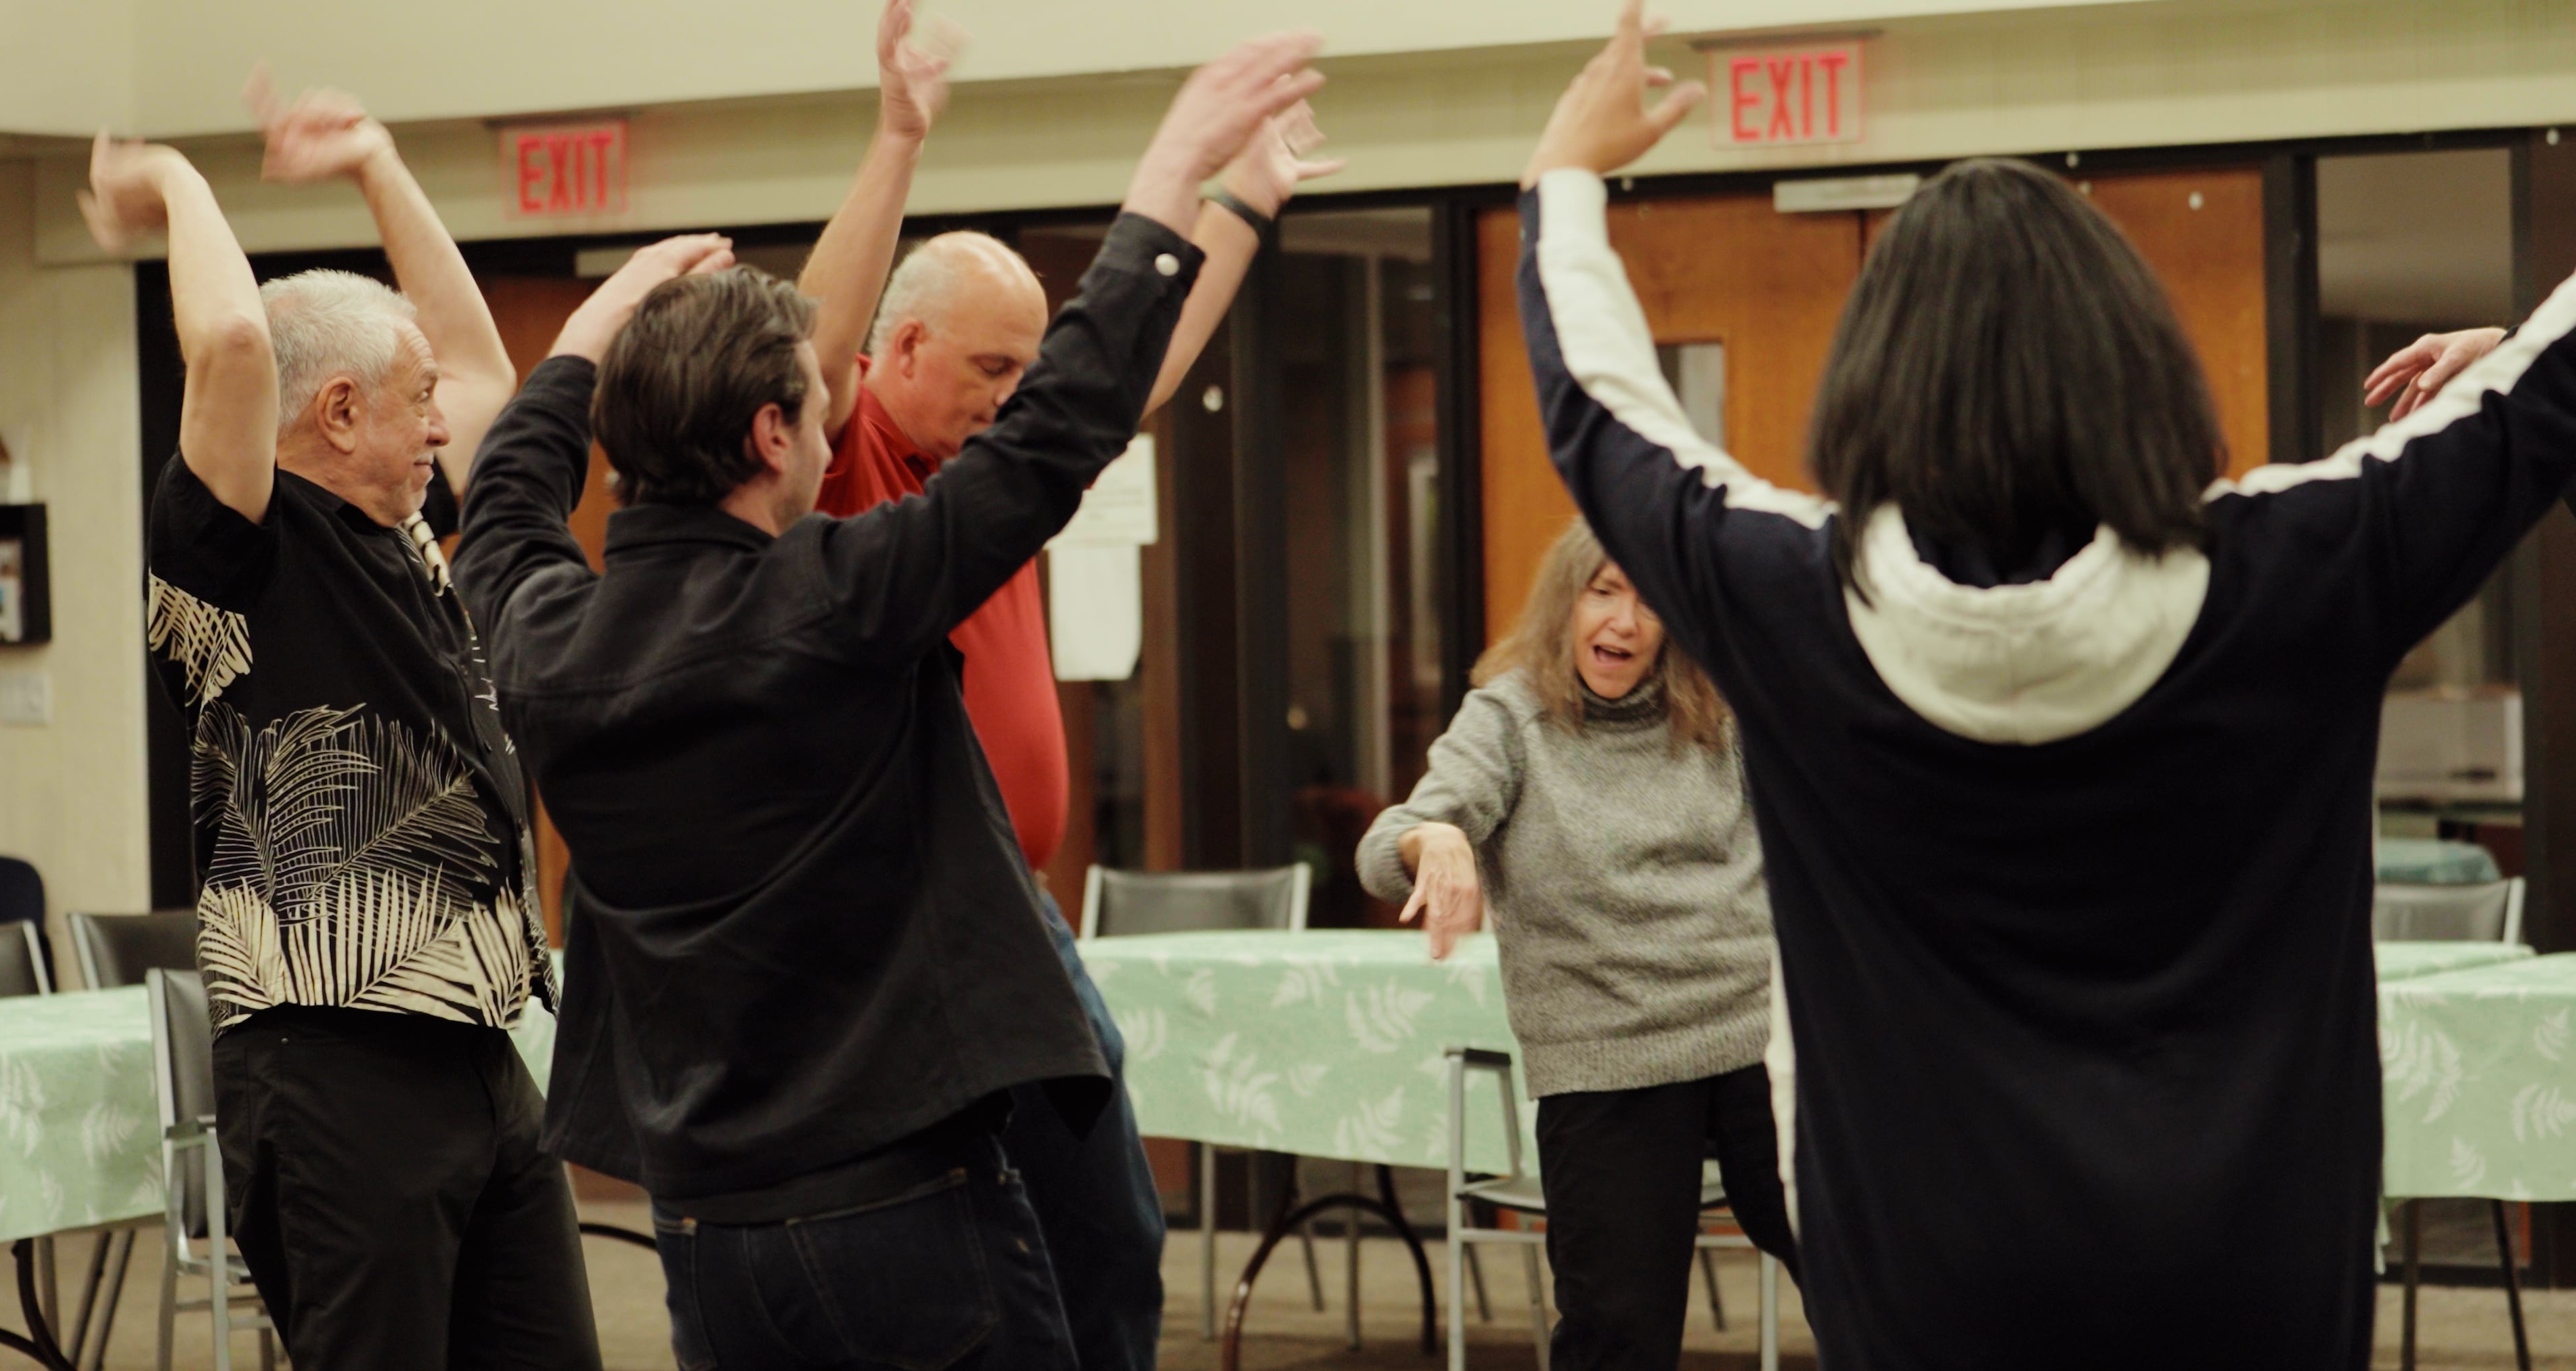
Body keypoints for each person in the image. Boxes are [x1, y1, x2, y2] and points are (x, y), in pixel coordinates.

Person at [1512, 5, 2576, 1368]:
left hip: (1922, 1293)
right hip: (2249, 1289)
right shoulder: (2304, 567)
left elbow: (1600, 415)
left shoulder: (1790, 599)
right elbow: (2548, 400)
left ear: (1873, 389)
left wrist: (1563, 177)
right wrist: (2507, 370)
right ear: (2144, 368)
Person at [450, 31, 1326, 1370]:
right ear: (770, 438)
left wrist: (590, 329)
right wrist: (1175, 166)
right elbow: (1062, 429)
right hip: (900, 1210)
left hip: (709, 1224)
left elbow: (509, 485)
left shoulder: (542, 632)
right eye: (812, 405)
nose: (827, 419)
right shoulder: (836, 598)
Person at [787, 7, 1340, 1364]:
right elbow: (810, 336)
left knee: (1098, 1234)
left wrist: (1247, 201)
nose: (1013, 396)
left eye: (1025, 370)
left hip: (1006, 912)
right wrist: (898, 136)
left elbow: (1131, 370)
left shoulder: (994, 479)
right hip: (909, 923)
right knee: (1041, 1243)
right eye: (989, 368)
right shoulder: (851, 459)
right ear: (897, 355)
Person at [88, 85, 594, 1370]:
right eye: (413, 403)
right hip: (333, 1073)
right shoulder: (237, 549)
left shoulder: (407, 530)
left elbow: (484, 368)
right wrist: (176, 184)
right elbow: (235, 351)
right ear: (339, 413)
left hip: (481, 1062)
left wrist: (375, 162)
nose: (445, 425)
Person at [1355, 516, 1795, 1371]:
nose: (1624, 623)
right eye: (1604, 593)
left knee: (1877, 1261)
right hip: (1608, 1056)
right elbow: (1391, 843)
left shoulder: (1719, 704)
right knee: (1617, 1331)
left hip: (1755, 1033)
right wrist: (1436, 842)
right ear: (1568, 600)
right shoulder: (1510, 718)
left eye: (1648, 600)